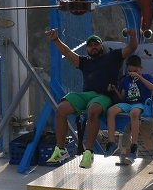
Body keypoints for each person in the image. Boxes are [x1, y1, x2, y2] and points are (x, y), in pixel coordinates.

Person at [45, 28, 137, 168]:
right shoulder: (84, 62)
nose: (93, 47)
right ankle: (60, 149)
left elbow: (131, 48)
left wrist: (133, 36)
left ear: (101, 46)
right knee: (61, 109)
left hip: (103, 96)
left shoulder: (113, 56)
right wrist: (56, 40)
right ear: (87, 49)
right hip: (86, 95)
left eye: (96, 44)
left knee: (93, 111)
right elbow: (67, 52)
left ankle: (88, 153)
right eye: (90, 45)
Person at [105, 55, 153, 166]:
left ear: (140, 69)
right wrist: (114, 90)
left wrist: (140, 77)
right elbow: (122, 98)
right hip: (128, 103)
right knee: (111, 111)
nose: (132, 73)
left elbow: (152, 88)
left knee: (134, 113)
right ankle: (111, 142)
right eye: (130, 71)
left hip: (140, 104)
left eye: (135, 70)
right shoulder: (125, 80)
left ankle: (134, 146)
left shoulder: (146, 77)